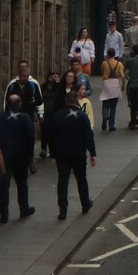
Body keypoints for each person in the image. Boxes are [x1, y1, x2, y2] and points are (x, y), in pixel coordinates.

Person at [48, 89, 97, 219]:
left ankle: (63, 211)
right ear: (77, 102)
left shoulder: (58, 115)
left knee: (63, 181)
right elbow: (88, 136)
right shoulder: (82, 116)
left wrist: (53, 150)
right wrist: (92, 153)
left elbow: (51, 134)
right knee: (81, 179)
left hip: (62, 154)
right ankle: (85, 204)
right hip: (78, 154)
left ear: (66, 101)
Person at [0, 91, 37, 222]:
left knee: (4, 184)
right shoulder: (25, 118)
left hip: (4, 155)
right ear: (19, 104)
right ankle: (24, 209)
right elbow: (30, 138)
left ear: (7, 104)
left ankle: (4, 214)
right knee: (22, 183)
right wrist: (30, 157)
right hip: (21, 156)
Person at [99, 51, 125, 131]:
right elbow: (122, 75)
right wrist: (123, 85)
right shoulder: (119, 64)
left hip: (106, 83)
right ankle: (111, 125)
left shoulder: (104, 63)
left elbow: (101, 71)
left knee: (105, 102)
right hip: (115, 83)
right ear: (114, 54)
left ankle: (105, 116)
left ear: (107, 54)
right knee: (113, 106)